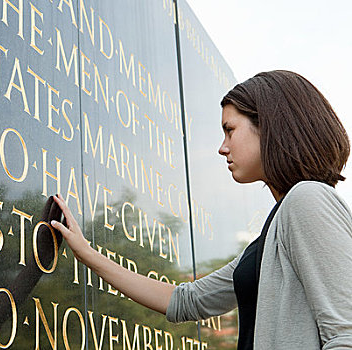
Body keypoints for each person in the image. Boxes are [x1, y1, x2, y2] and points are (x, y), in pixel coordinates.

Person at [50, 70, 352, 349]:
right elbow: (188, 301)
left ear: (269, 127)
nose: (222, 147)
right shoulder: (274, 231)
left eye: (230, 130)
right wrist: (86, 253)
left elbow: (345, 333)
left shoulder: (308, 199)